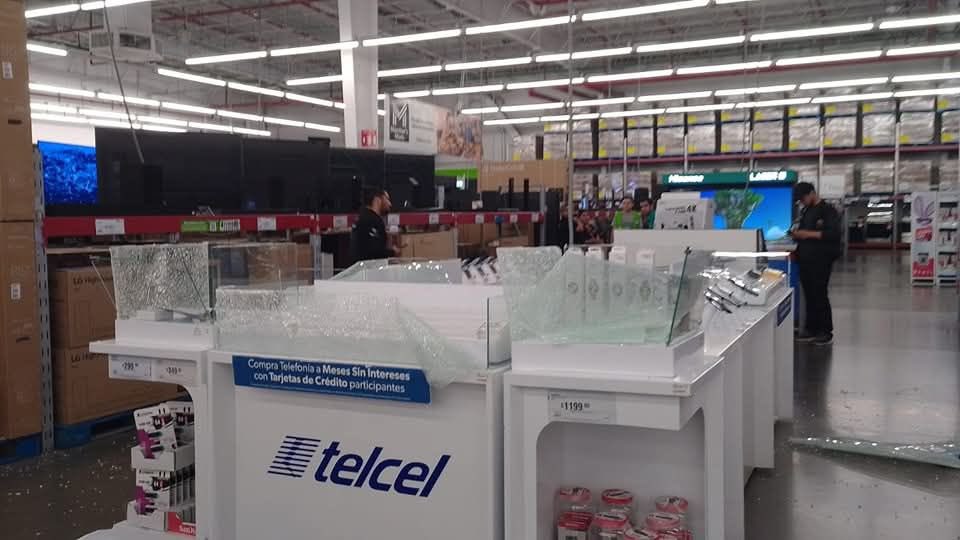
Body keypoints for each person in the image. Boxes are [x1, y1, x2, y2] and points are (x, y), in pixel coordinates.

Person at [791, 182, 842, 346]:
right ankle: (811, 329)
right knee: (809, 295)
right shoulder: (806, 211)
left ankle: (825, 331)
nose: (802, 202)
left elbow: (833, 234)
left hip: (821, 259)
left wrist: (807, 234)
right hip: (805, 259)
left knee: (820, 294)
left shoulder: (828, 210)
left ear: (812, 193)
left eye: (803, 198)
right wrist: (796, 234)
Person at [350, 187, 397, 262]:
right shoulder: (370, 221)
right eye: (387, 199)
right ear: (377, 200)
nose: (390, 204)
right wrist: (392, 252)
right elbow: (373, 252)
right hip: (369, 268)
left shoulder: (363, 217)